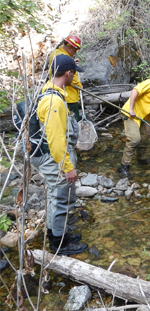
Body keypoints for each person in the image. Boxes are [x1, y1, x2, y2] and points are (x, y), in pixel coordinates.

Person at [31, 54, 88, 255]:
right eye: (74, 74)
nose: (75, 78)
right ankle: (58, 244)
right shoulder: (54, 101)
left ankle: (56, 232)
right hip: (53, 156)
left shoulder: (48, 91)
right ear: (68, 73)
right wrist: (67, 167)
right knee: (61, 196)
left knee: (56, 196)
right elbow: (56, 139)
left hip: (47, 154)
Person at [48, 35, 83, 121]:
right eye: (75, 50)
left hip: (56, 90)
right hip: (69, 96)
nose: (75, 53)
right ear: (70, 47)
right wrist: (80, 86)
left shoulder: (56, 53)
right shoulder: (65, 57)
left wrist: (71, 62)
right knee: (73, 122)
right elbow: (72, 77)